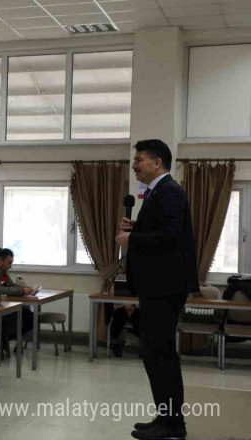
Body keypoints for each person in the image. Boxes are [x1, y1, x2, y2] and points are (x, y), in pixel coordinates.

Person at [117, 139, 197, 440]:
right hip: (158, 286)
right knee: (155, 352)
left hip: (165, 287)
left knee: (159, 353)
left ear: (157, 163)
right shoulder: (157, 193)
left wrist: (132, 240)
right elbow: (164, 231)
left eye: (139, 159)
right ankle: (166, 419)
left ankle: (173, 425)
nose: (134, 165)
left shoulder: (169, 192)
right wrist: (139, 228)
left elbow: (172, 235)